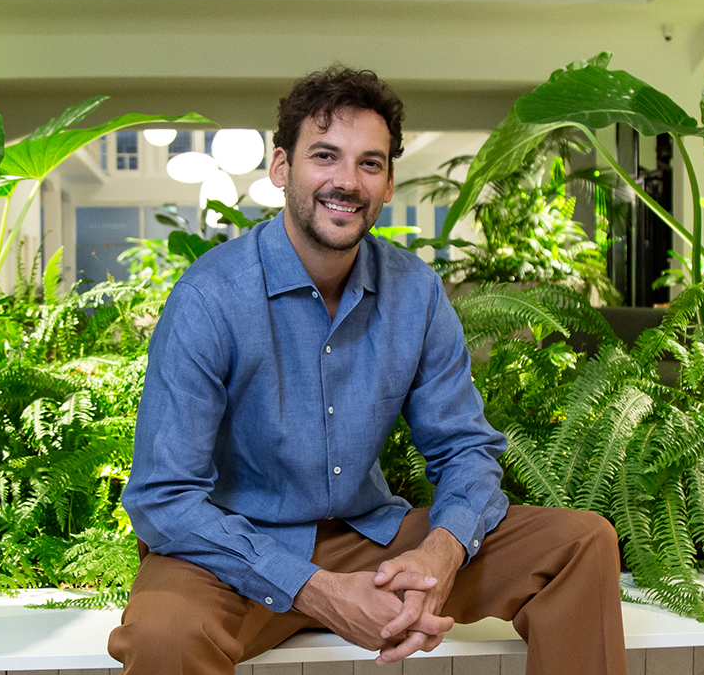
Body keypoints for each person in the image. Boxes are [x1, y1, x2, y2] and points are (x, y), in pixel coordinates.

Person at [110, 65, 627, 674]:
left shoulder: (417, 293)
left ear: (386, 185)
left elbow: (465, 447)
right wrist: (317, 589)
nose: (347, 182)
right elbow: (164, 498)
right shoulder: (210, 297)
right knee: (162, 636)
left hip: (371, 544)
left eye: (370, 163)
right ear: (282, 169)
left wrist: (441, 551)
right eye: (325, 156)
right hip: (233, 554)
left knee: (581, 543)